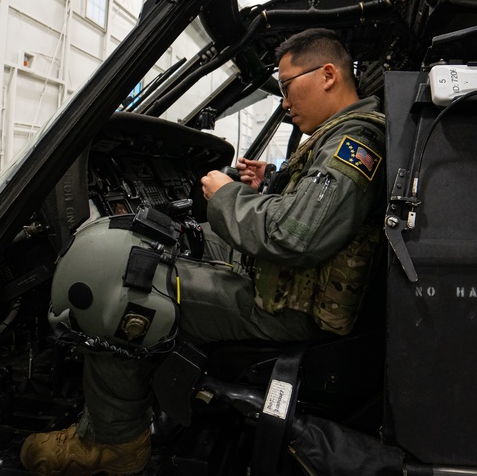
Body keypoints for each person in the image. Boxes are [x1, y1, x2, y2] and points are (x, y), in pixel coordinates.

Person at [19, 28, 387, 476]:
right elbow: (313, 213)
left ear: (327, 74)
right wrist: (262, 187)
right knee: (174, 241)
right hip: (285, 283)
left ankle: (112, 443)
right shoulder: (340, 134)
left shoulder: (356, 142)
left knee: (117, 283)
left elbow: (296, 236)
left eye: (288, 86)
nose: (285, 102)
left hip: (288, 304)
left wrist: (228, 196)